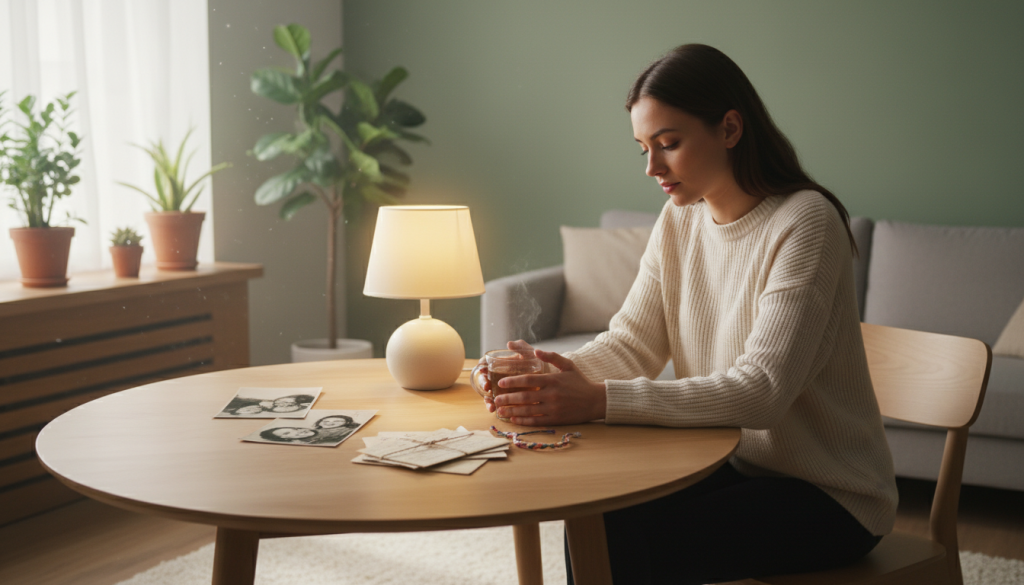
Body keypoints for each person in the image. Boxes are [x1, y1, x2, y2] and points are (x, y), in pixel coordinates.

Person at [480, 44, 897, 584]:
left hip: (832, 494)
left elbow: (763, 391)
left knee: (628, 541)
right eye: (643, 148)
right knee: (595, 517)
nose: (652, 167)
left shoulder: (805, 222)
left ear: (730, 128)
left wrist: (598, 400)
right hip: (738, 465)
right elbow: (633, 343)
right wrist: (544, 377)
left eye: (668, 144)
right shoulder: (681, 219)